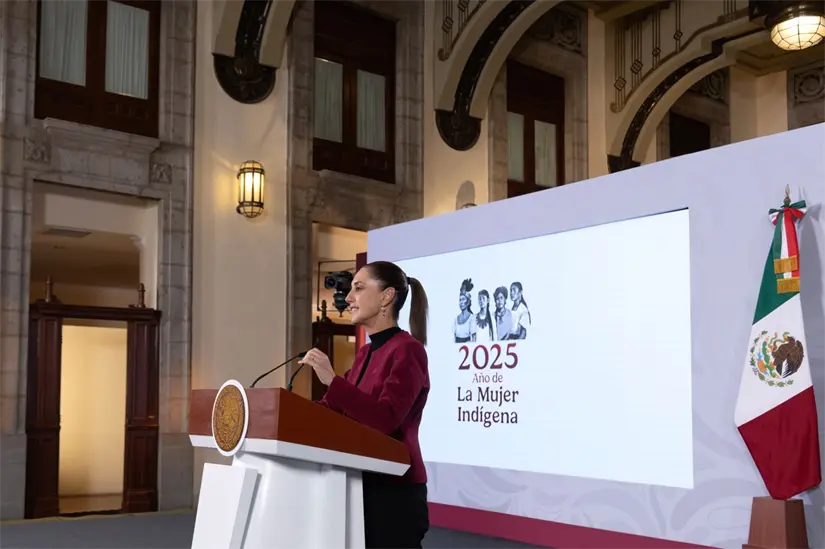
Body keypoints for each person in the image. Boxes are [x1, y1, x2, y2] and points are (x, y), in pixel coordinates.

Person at [299, 260, 430, 549]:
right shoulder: (365, 352)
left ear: (387, 296)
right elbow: (338, 411)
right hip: (360, 482)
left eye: (359, 288)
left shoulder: (409, 350)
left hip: (395, 491)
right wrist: (285, 409)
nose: (348, 297)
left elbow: (386, 419)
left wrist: (332, 381)